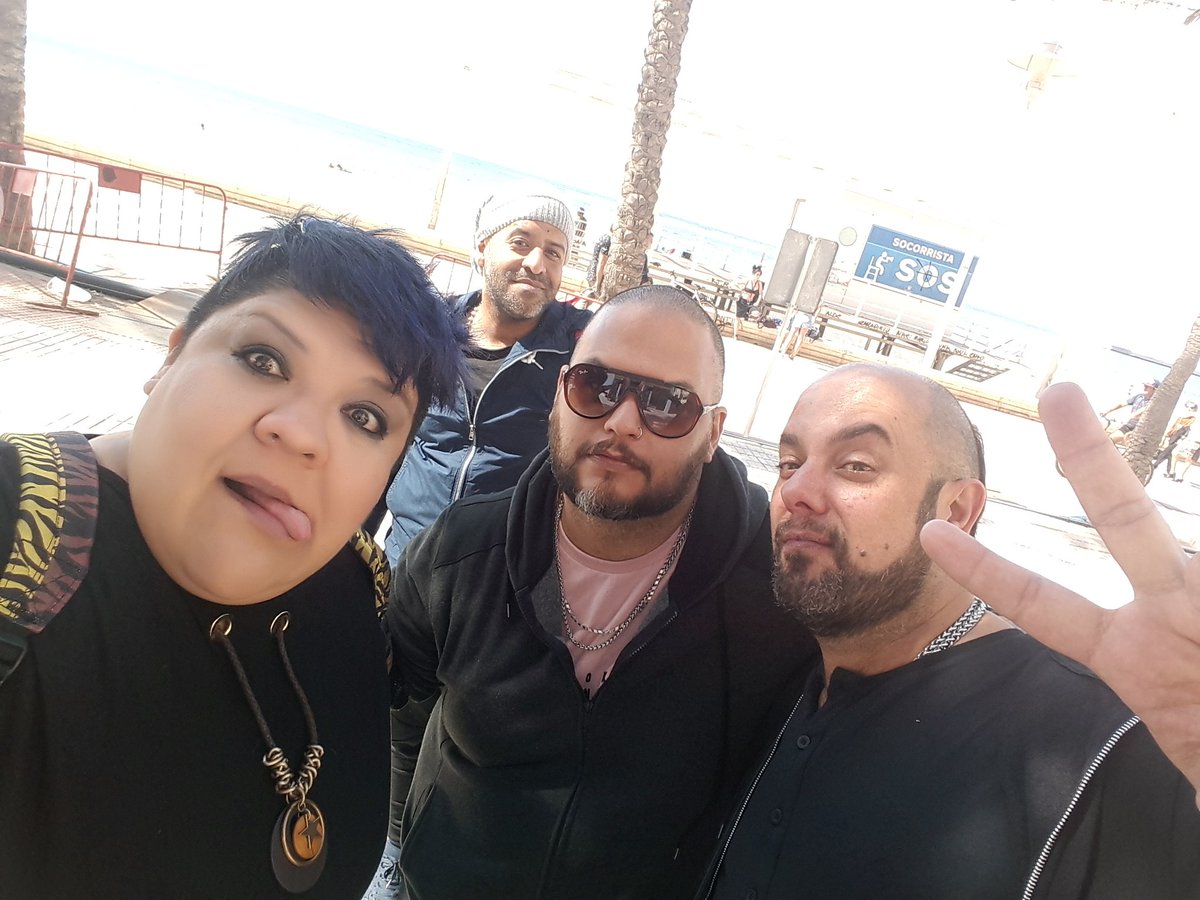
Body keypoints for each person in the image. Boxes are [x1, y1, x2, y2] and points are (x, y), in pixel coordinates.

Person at [0, 215, 465, 898]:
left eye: (364, 416)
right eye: (263, 360)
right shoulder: (21, 530)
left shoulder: (355, 584)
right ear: (171, 357)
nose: (302, 434)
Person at [376, 286, 816, 899]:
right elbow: (403, 715)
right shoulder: (460, 552)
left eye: (667, 403)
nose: (622, 421)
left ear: (713, 432)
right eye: (595, 385)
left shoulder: (776, 598)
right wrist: (399, 848)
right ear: (559, 395)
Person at [703, 363, 1200, 899]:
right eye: (789, 463)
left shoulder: (1094, 741)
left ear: (958, 509)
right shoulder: (781, 671)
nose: (795, 490)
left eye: (856, 466)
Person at [381, 190, 592, 565]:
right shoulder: (430, 330)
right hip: (402, 562)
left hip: (501, 579)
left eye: (553, 253)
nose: (536, 264)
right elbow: (381, 441)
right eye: (520, 243)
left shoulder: (579, 347)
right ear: (482, 249)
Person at [1103, 377, 1159, 444]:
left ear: (1154, 389)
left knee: (1131, 445)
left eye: (1147, 387)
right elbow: (1122, 404)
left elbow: (1143, 410)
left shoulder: (1156, 402)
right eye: (1144, 386)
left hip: (1142, 430)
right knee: (1110, 440)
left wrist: (1131, 416)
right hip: (1130, 425)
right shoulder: (1139, 396)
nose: (1144, 388)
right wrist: (1108, 411)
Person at [1155, 399, 1197, 478]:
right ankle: (1170, 472)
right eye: (1187, 407)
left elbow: (1188, 431)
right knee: (1170, 455)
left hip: (1179, 439)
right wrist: (1167, 435)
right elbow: (1173, 427)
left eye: (1191, 408)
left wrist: (1181, 440)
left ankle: (1155, 465)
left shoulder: (1192, 419)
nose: (1189, 409)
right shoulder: (1181, 417)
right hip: (1173, 437)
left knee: (1165, 452)